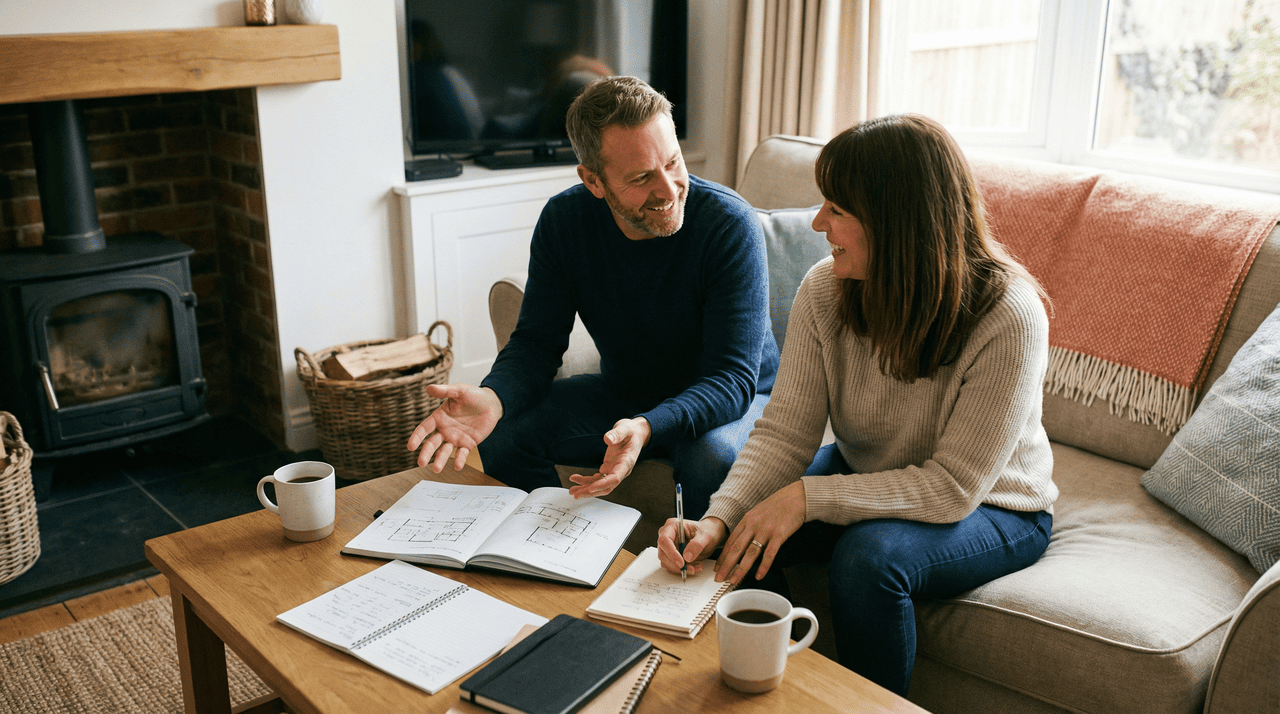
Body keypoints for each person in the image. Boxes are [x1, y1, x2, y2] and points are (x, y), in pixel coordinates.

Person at [656, 114, 1058, 696]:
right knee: (739, 519)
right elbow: (785, 433)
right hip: (872, 470)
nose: (818, 222)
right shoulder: (825, 289)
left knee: (867, 558)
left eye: (837, 209)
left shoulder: (1009, 314)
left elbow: (953, 487)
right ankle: (780, 685)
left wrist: (808, 497)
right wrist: (717, 522)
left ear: (897, 224)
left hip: (997, 504)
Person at [407, 76, 780, 520]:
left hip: (733, 401)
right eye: (642, 177)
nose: (668, 189)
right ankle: (551, 545)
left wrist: (648, 426)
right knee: (505, 431)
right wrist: (495, 396)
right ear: (593, 180)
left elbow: (731, 380)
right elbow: (536, 345)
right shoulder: (564, 222)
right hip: (629, 394)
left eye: (673, 162)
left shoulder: (728, 224)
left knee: (709, 459)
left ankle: (697, 567)